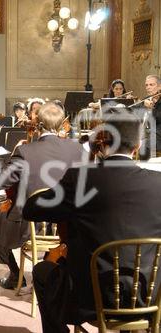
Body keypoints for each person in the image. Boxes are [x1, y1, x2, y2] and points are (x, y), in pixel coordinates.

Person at [23, 109, 161, 333]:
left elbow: (31, 210)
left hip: (90, 300)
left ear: (101, 140)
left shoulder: (80, 179)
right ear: (137, 147)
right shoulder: (158, 183)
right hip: (150, 296)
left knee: (42, 272)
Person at [0, 102, 84, 289]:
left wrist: (13, 153)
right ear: (62, 124)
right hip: (67, 226)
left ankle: (15, 276)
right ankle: (50, 269)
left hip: (31, 226)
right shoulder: (77, 149)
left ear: (38, 123)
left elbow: (0, 182)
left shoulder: (25, 151)